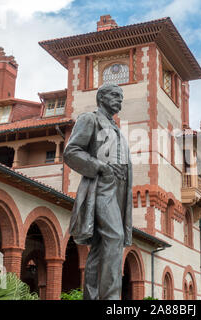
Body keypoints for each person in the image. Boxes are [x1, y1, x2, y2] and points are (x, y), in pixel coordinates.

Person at [63, 83, 132, 300]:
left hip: (120, 189)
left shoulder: (117, 129)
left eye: (121, 97)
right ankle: (111, 300)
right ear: (101, 97)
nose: (119, 100)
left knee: (101, 246)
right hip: (102, 186)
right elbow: (72, 152)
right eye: (114, 95)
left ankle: (92, 297)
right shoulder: (89, 119)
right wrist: (101, 167)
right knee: (114, 236)